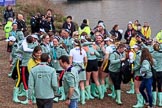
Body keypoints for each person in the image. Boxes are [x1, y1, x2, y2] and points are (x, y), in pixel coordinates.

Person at [69, 39, 87, 104]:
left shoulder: (72, 51)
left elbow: (70, 61)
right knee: (82, 84)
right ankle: (83, 100)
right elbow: (85, 61)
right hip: (81, 67)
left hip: (74, 68)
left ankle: (77, 99)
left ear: (74, 44)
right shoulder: (83, 50)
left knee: (76, 84)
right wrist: (83, 66)